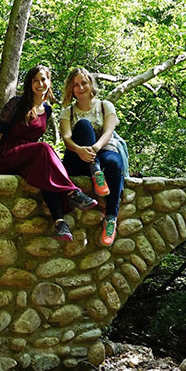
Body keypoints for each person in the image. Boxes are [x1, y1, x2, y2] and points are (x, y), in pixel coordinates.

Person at [0, 65, 97, 241]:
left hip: (28, 157)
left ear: (49, 82)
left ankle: (59, 223)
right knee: (44, 148)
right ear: (30, 83)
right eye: (35, 80)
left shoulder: (47, 110)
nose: (40, 84)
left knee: (45, 172)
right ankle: (72, 193)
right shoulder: (17, 103)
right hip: (8, 155)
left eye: (43, 79)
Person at [59, 67, 128, 246]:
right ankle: (95, 171)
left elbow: (108, 132)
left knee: (114, 164)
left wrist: (95, 148)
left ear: (91, 84)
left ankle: (111, 218)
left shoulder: (105, 106)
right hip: (77, 156)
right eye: (76, 85)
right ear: (71, 88)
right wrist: (79, 150)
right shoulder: (68, 112)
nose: (80, 87)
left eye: (84, 83)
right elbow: (67, 138)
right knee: (83, 125)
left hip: (104, 149)